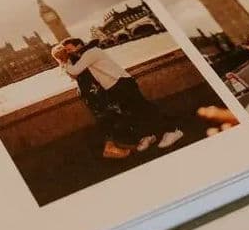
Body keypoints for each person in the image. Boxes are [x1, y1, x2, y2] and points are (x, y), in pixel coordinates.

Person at [55, 38, 183, 158]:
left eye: (69, 49)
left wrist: (63, 61)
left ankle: (172, 130)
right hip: (114, 86)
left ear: (79, 45)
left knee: (144, 108)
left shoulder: (91, 52)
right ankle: (148, 135)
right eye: (66, 51)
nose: (68, 52)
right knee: (133, 113)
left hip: (121, 83)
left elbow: (75, 70)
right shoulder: (85, 54)